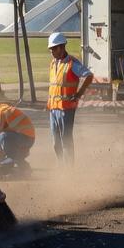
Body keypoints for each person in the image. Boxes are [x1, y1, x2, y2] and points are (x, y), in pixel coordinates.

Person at [46, 31, 93, 165]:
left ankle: (69, 170)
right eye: (50, 49)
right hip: (53, 108)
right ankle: (61, 166)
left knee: (66, 141)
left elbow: (88, 76)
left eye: (53, 48)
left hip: (66, 109)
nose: (51, 52)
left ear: (61, 47)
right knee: (56, 143)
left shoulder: (72, 63)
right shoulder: (53, 63)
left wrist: (78, 94)